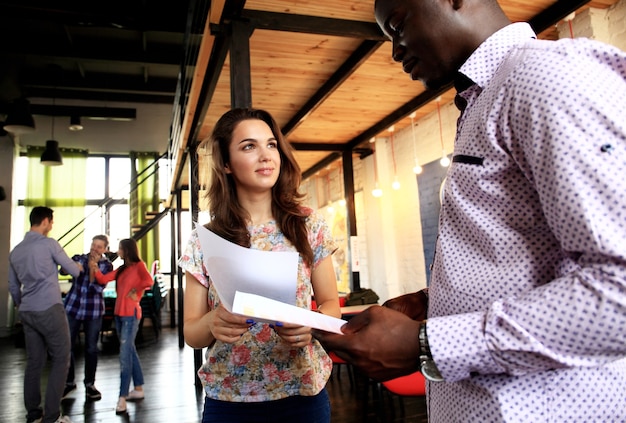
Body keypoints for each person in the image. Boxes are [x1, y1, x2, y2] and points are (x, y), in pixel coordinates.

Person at [314, 0, 626, 422]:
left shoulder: (544, 77)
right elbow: (525, 260)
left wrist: (428, 344)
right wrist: (434, 303)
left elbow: (618, 292)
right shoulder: (485, 99)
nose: (395, 51)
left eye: (399, 26)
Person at [179, 107, 341, 423]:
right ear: (225, 164)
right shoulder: (206, 238)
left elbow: (332, 304)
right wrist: (213, 321)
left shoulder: (309, 225)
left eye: (271, 144)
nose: (266, 155)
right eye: (249, 146)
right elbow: (191, 333)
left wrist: (312, 322)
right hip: (229, 398)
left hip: (302, 393)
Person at [8, 206, 82, 423]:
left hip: (28, 311)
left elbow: (14, 288)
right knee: (61, 358)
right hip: (50, 308)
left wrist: (25, 305)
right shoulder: (50, 244)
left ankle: (33, 414)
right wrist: (77, 265)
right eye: (51, 222)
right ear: (46, 222)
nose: (52, 226)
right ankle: (52, 416)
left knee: (34, 362)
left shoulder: (16, 251)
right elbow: (75, 271)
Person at [91, 238, 153, 415]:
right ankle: (139, 389)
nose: (118, 251)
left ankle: (122, 398)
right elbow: (103, 279)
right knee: (129, 351)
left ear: (127, 250)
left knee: (124, 356)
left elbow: (149, 281)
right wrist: (94, 266)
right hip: (118, 316)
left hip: (131, 316)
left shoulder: (139, 265)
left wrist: (137, 290)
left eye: (120, 249)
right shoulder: (122, 269)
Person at [62, 234, 113, 401]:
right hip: (73, 308)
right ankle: (68, 383)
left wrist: (93, 269)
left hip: (93, 312)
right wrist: (71, 267)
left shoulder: (107, 266)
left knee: (91, 348)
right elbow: (62, 270)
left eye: (99, 246)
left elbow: (96, 287)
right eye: (93, 245)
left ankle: (89, 384)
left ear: (105, 249)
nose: (95, 249)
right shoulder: (78, 258)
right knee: (66, 346)